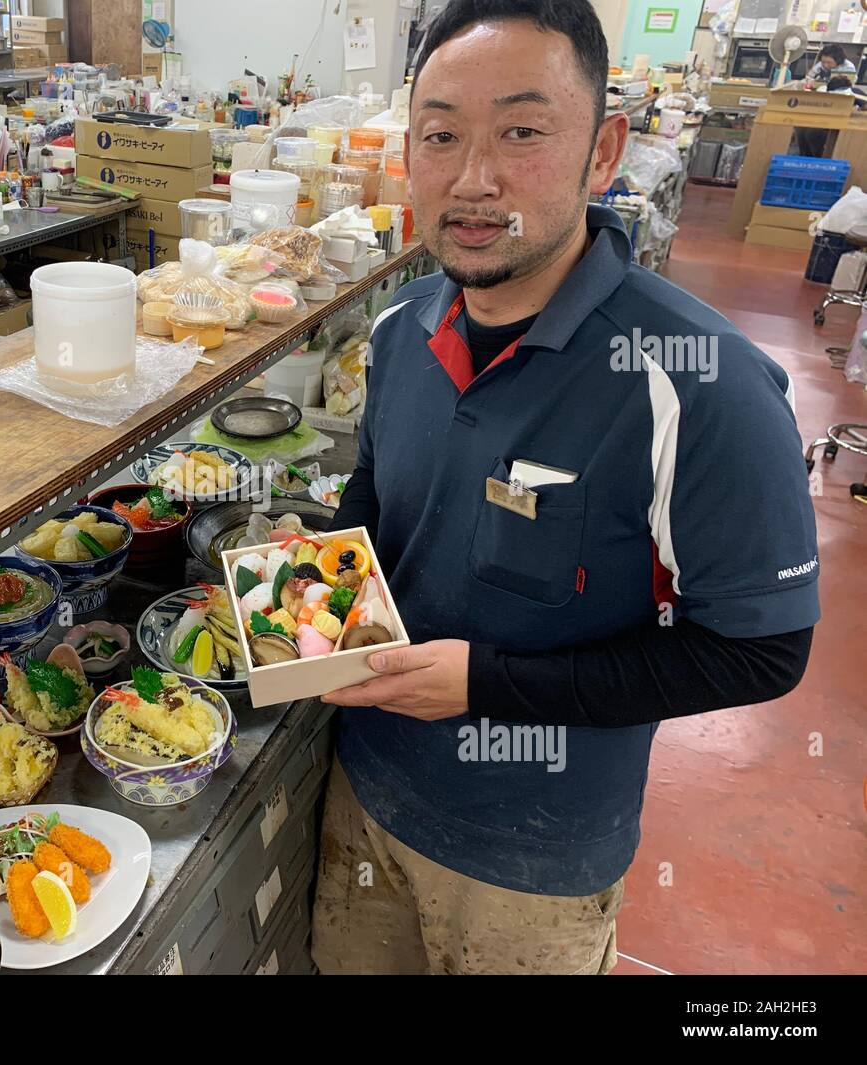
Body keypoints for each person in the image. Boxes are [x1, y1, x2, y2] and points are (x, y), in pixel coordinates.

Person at [310, 0, 819, 975]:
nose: (472, 178)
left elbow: (761, 654)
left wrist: (486, 686)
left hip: (529, 862)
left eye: (522, 132)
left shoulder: (696, 381)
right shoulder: (395, 333)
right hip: (363, 798)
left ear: (602, 151)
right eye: (440, 135)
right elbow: (374, 504)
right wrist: (307, 605)